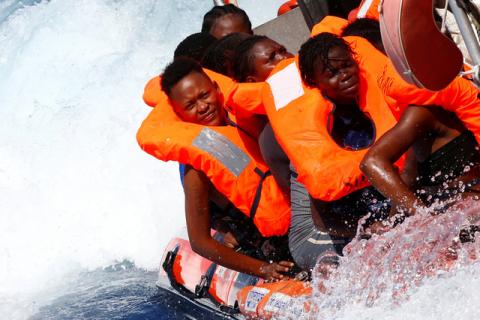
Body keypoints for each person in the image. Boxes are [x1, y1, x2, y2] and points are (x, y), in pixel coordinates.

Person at [253, 33, 404, 270]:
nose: (344, 75)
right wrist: (367, 230)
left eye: (346, 66)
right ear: (315, 84)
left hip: (381, 212)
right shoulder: (313, 134)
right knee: (352, 266)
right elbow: (325, 218)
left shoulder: (380, 104)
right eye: (332, 74)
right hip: (322, 232)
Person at [137, 58, 294, 281]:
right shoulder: (196, 167)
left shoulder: (243, 119)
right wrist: (263, 269)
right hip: (263, 247)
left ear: (217, 88)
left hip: (296, 218)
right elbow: (199, 242)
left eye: (205, 95)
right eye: (190, 106)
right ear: (179, 114)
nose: (203, 107)